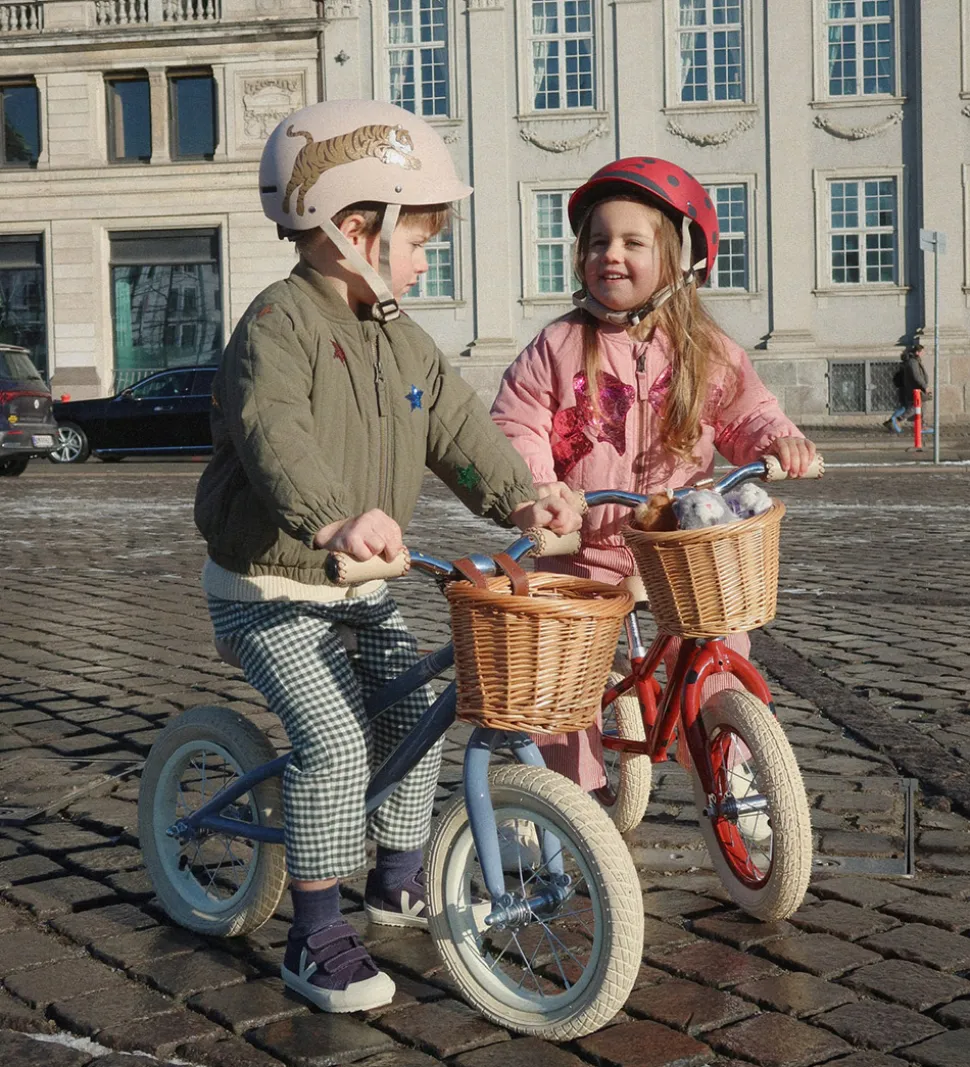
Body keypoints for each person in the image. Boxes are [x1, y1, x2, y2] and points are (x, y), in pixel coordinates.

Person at [193, 100, 581, 1015]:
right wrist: (331, 520)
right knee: (333, 740)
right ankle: (314, 931)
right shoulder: (277, 325)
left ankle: (398, 874)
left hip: (355, 585)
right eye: (417, 238)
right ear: (353, 230)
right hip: (269, 586)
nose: (425, 257)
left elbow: (457, 426)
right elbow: (275, 436)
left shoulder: (402, 335)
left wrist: (523, 496)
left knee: (414, 707)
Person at [490, 156, 816, 802]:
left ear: (678, 259)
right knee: (563, 672)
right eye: (598, 241)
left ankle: (733, 767)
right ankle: (566, 798)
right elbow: (516, 422)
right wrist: (541, 488)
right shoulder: (559, 345)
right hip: (581, 547)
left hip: (677, 548)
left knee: (719, 647)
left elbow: (746, 410)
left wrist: (777, 441)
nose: (610, 254)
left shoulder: (704, 348)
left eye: (632, 242)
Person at [884, 343, 929, 433]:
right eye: (923, 351)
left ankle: (921, 425)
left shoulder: (913, 361)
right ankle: (896, 420)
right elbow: (916, 376)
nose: (924, 353)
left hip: (912, 388)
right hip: (912, 388)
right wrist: (924, 386)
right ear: (917, 352)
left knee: (917, 406)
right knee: (913, 407)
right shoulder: (912, 362)